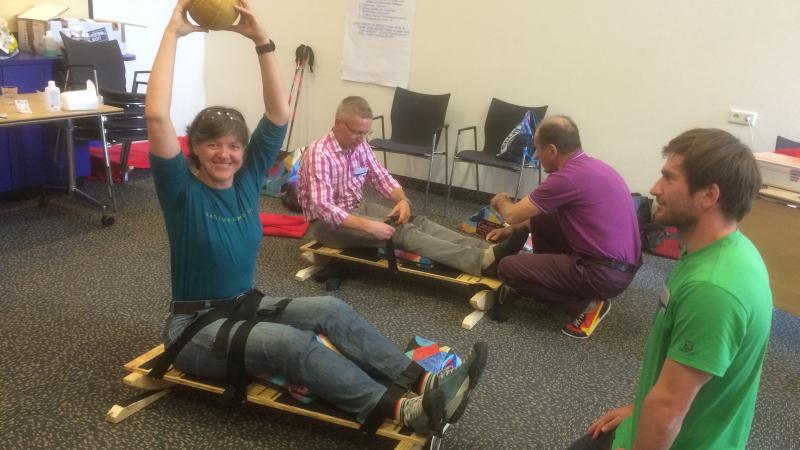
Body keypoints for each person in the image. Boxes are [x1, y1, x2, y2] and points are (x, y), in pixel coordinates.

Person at [144, 0, 487, 437]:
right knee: (292, 343)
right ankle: (404, 409)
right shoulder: (180, 192)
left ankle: (423, 380)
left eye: (233, 145)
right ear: (194, 147)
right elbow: (156, 115)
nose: (224, 154)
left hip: (243, 306)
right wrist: (171, 33)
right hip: (195, 330)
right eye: (213, 145)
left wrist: (260, 40)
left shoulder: (248, 177)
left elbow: (277, 114)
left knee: (330, 307)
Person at [569, 128, 772, 449]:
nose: (654, 188)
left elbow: (668, 409)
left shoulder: (714, 288)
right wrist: (640, 408)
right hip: (672, 419)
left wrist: (654, 413)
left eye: (669, 178)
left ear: (709, 195)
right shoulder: (721, 250)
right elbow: (689, 378)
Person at [297, 96, 528, 277]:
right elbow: (323, 207)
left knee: (416, 221)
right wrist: (369, 226)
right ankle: (481, 263)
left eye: (366, 132)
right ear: (338, 124)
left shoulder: (360, 146)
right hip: (327, 226)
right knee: (401, 232)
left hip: (357, 208)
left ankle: (487, 250)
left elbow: (382, 178)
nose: (361, 138)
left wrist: (402, 201)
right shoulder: (320, 154)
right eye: (357, 132)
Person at [489, 115, 641, 338]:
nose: (535, 156)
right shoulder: (595, 167)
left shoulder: (566, 178)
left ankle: (584, 307)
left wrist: (500, 199)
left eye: (537, 149)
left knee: (507, 268)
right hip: (622, 267)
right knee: (543, 217)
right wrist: (512, 230)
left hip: (601, 274)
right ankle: (549, 279)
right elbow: (532, 218)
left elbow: (511, 214)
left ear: (551, 150)